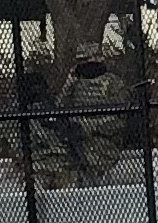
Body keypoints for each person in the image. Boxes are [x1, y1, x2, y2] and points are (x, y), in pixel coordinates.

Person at [56, 45, 130, 187]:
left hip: (104, 139)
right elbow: (59, 108)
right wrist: (69, 84)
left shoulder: (113, 82)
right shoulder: (75, 84)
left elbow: (121, 115)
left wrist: (94, 126)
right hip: (79, 142)